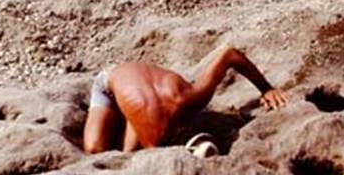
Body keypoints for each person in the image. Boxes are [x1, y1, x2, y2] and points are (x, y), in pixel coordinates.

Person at [83, 45, 289, 154]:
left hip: (143, 89)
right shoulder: (154, 140)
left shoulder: (192, 99)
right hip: (109, 81)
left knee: (137, 120)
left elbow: (230, 54)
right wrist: (265, 88)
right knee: (95, 150)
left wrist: (267, 89)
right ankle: (121, 108)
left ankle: (127, 109)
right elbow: (130, 161)